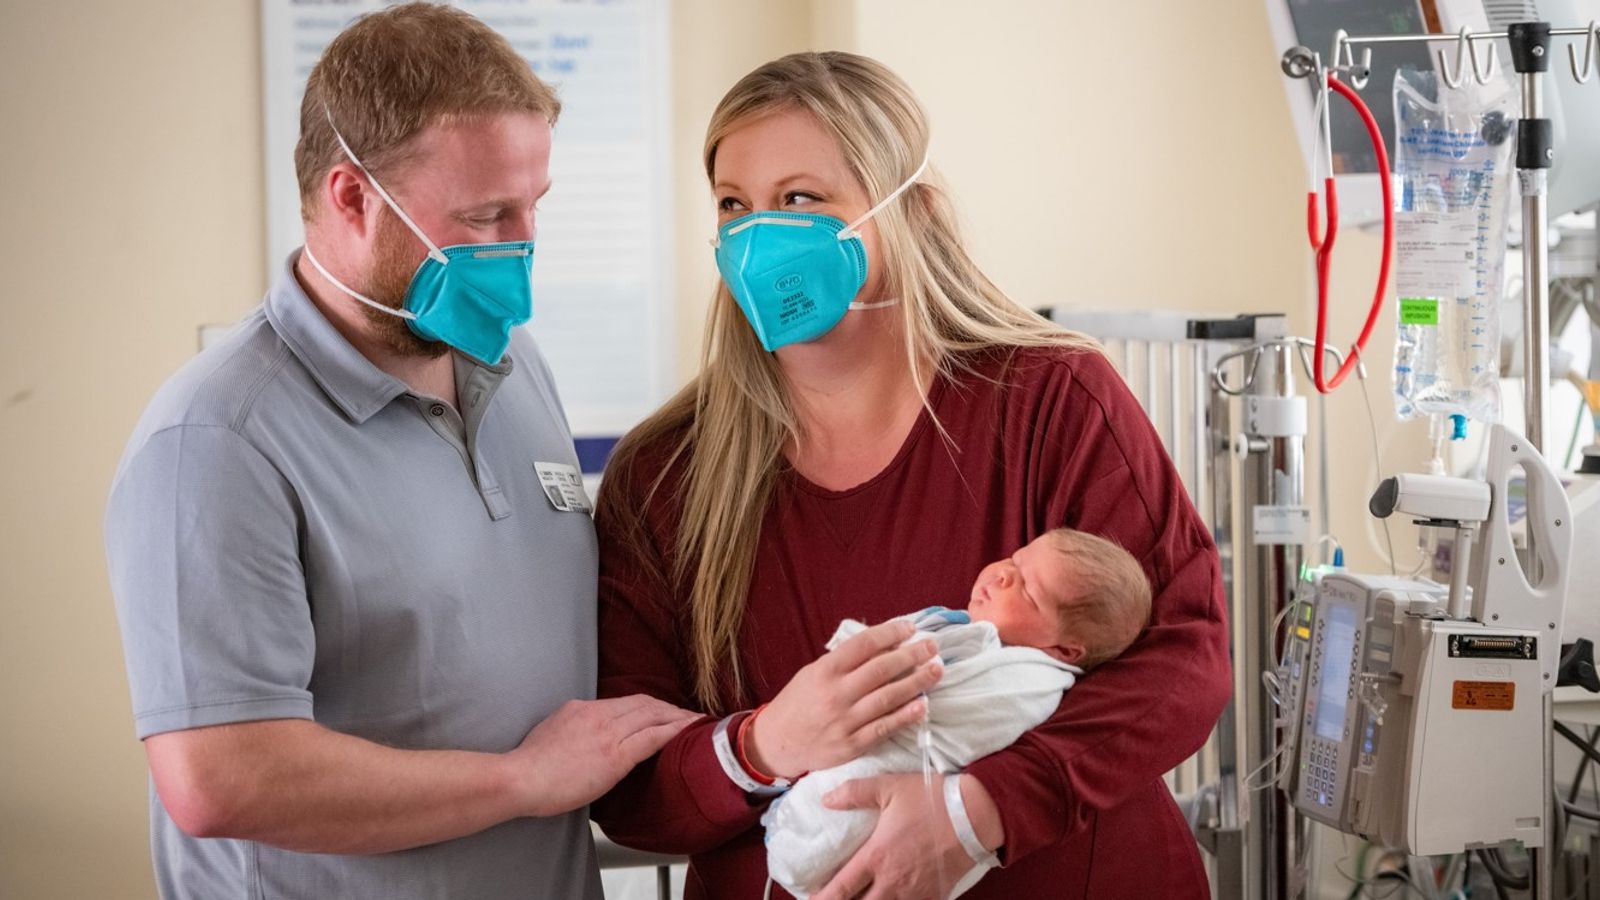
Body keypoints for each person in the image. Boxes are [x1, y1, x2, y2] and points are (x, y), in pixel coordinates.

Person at [591, 51, 1231, 900]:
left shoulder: (1052, 400)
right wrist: (762, 746)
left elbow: (1185, 658)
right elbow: (631, 786)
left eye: (800, 200)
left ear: (912, 211)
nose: (756, 238)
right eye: (733, 206)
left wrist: (978, 812)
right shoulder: (662, 475)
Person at [103, 6, 693, 897]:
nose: (521, 247)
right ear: (351, 198)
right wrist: (523, 781)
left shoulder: (509, 359)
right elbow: (222, 778)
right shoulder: (216, 443)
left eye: (534, 206)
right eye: (486, 214)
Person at [764, 529, 1155, 898]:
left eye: (1028, 591)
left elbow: (945, 711)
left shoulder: (1031, 682)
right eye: (1014, 561)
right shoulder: (984, 641)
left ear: (1065, 650)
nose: (1003, 576)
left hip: (893, 802)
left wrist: (890, 663)